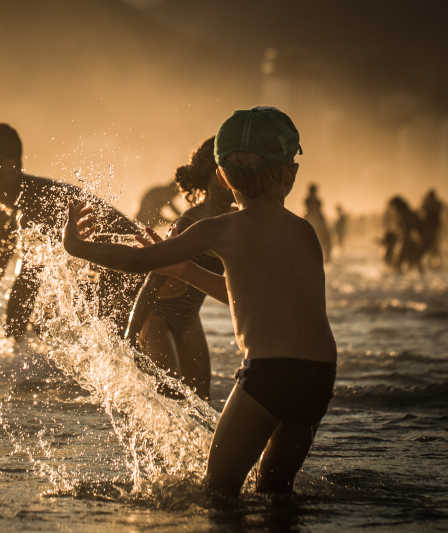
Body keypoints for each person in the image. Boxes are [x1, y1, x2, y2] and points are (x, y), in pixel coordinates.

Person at [63, 107, 337, 498]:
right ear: (290, 173)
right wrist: (187, 272)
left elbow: (137, 261)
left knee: (218, 491)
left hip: (269, 375)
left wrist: (77, 246)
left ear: (223, 175)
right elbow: (250, 298)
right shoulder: (304, 232)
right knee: (276, 490)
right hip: (319, 376)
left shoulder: (221, 229)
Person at [0, 123, 144, 347]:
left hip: (134, 267)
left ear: (8, 165)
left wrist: (11, 353)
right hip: (110, 272)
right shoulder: (1, 208)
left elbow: (26, 285)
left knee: (96, 340)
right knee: (48, 323)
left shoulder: (37, 203)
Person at [125, 137, 234, 400]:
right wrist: (129, 336)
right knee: (169, 397)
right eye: (234, 171)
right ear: (216, 175)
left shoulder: (237, 220)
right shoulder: (190, 221)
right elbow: (153, 279)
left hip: (189, 319)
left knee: (201, 401)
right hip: (157, 317)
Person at [381, 195, 424, 273]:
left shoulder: (406, 213)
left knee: (404, 258)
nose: (392, 209)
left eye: (393, 206)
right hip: (406, 239)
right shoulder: (403, 213)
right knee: (410, 259)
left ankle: (400, 271)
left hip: (408, 239)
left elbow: (413, 226)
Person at [304, 183, 331, 263]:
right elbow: (312, 210)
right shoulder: (309, 200)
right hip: (313, 219)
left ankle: (327, 256)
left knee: (326, 237)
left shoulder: (311, 200)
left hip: (315, 219)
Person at [420, 189, 443, 269]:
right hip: (430, 228)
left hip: (432, 228)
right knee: (432, 246)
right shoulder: (435, 203)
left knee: (433, 246)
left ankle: (434, 263)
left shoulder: (431, 204)